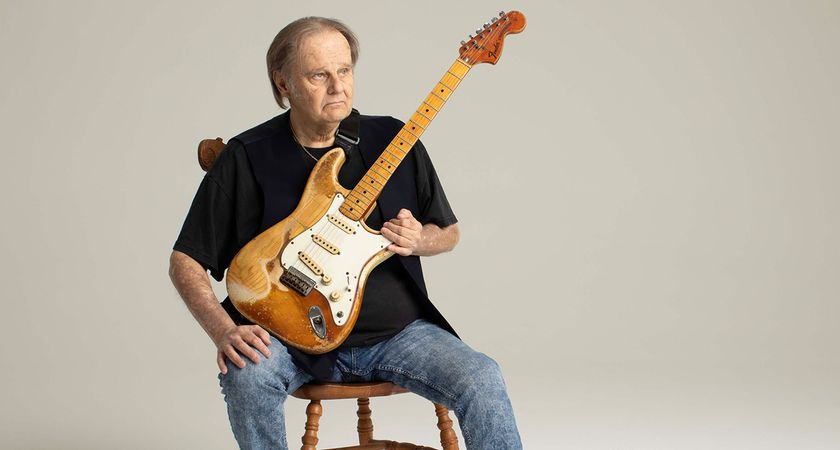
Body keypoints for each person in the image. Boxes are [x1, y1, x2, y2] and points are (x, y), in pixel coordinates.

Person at [169, 16, 522, 450]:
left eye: (344, 71)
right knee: (247, 374)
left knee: (482, 376)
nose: (338, 87)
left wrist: (420, 240)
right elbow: (184, 259)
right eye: (319, 74)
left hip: (398, 334)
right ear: (284, 84)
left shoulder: (396, 138)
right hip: (285, 335)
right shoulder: (247, 155)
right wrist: (223, 331)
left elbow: (447, 231)